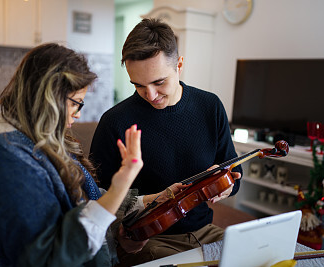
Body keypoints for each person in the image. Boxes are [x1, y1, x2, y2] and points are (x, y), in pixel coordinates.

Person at [0, 43, 185, 266]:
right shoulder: (6, 163)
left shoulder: (36, 141)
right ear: (49, 99)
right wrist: (122, 181)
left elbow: (92, 199)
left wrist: (155, 199)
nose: (77, 114)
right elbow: (51, 258)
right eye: (76, 103)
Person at [89, 18, 243, 266]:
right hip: (148, 241)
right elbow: (98, 197)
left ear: (179, 65)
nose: (150, 95)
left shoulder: (210, 106)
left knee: (256, 254)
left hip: (206, 232)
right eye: (138, 85)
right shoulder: (114, 121)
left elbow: (236, 173)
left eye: (159, 82)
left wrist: (226, 185)